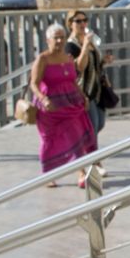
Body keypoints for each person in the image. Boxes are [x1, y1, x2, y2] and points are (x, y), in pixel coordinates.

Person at [30, 23, 96, 186]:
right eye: (56, 38)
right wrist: (43, 99)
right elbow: (34, 83)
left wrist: (83, 97)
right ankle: (48, 175)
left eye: (62, 37)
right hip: (49, 108)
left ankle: (81, 173)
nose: (59, 41)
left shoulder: (67, 58)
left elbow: (73, 81)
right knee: (49, 140)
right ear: (48, 40)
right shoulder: (42, 59)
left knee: (76, 138)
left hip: (69, 104)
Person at [64, 10, 114, 136]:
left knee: (100, 123)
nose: (83, 24)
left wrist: (103, 61)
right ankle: (91, 153)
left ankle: (82, 145)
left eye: (85, 20)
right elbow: (79, 68)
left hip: (96, 89)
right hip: (83, 90)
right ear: (70, 24)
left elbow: (94, 63)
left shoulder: (90, 41)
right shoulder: (70, 46)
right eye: (78, 21)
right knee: (93, 126)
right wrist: (85, 46)